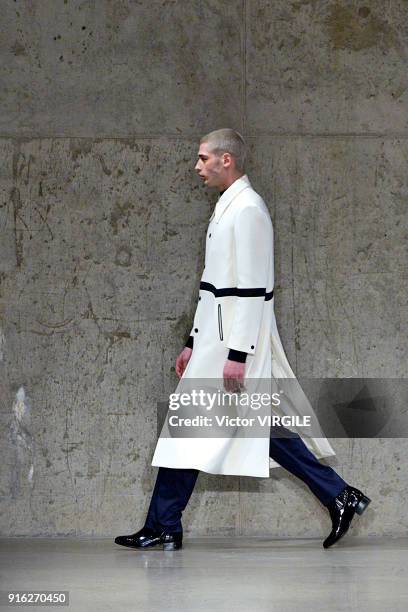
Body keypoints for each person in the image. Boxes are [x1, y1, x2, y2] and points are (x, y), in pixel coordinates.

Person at [115, 128, 371, 552]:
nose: (197, 167)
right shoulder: (226, 208)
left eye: (203, 159)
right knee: (198, 428)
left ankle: (165, 524)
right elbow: (212, 288)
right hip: (215, 342)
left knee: (209, 428)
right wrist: (192, 342)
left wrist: (238, 355)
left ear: (226, 160)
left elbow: (255, 288)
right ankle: (338, 495)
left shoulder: (249, 209)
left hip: (232, 346)